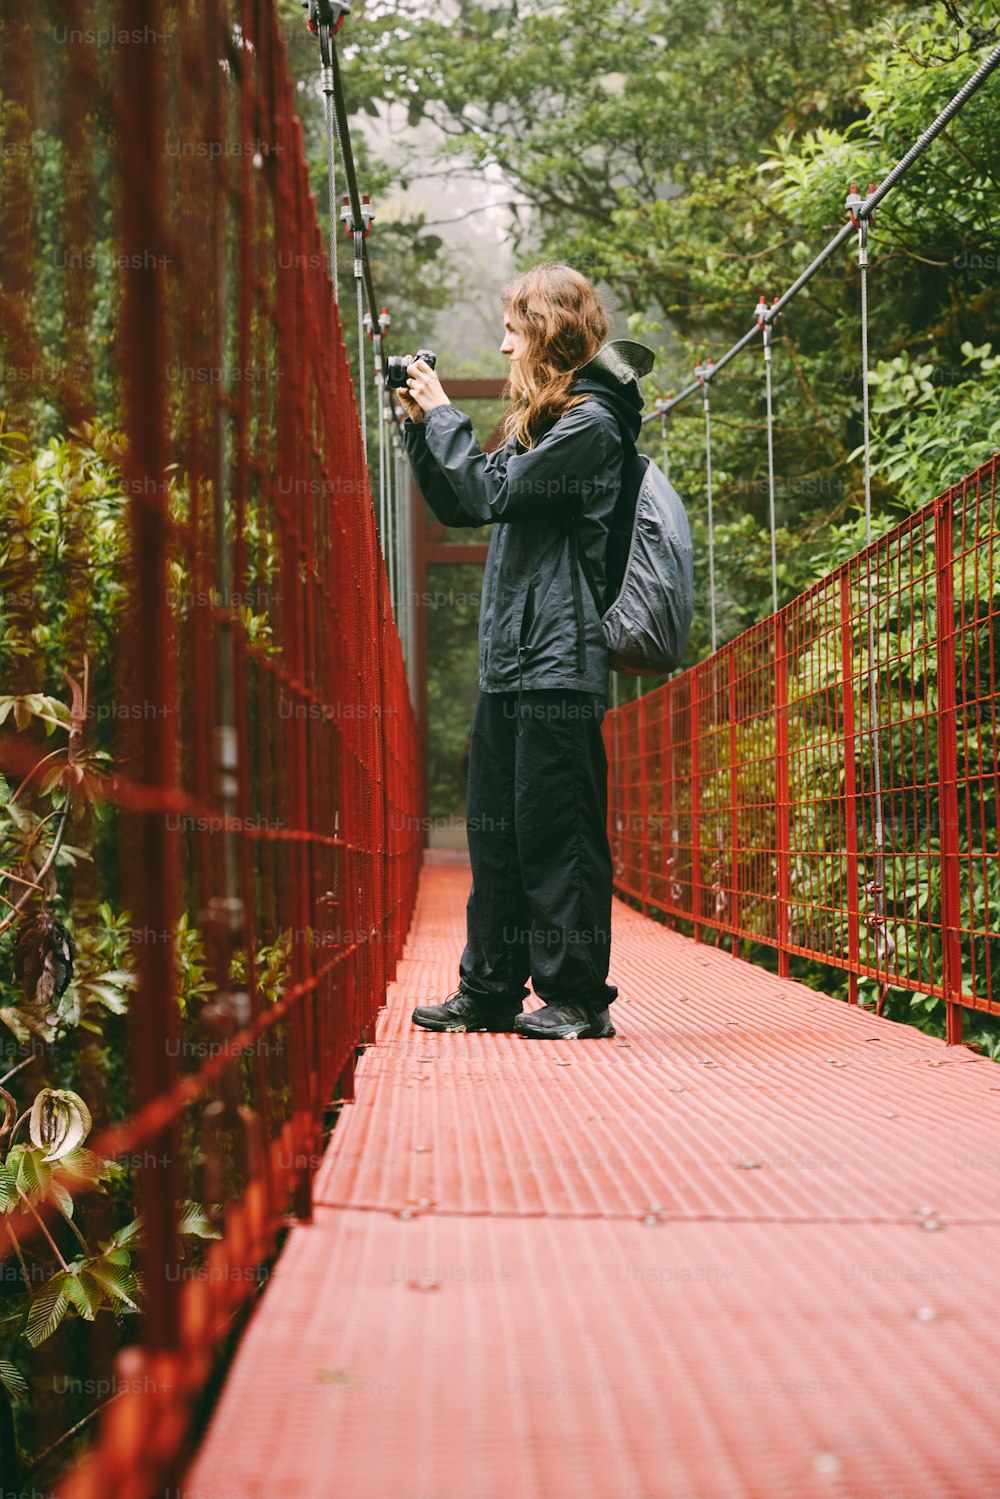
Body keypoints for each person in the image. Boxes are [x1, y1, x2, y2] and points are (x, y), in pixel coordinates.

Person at [398, 261, 653, 1040]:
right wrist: (420, 425)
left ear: (547, 333)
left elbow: (492, 495)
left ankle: (578, 997)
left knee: (557, 831)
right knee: (496, 831)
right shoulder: (543, 425)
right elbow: (463, 496)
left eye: (513, 331)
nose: (504, 347)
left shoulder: (591, 426)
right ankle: (491, 988)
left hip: (560, 659)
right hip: (511, 660)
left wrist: (446, 415)